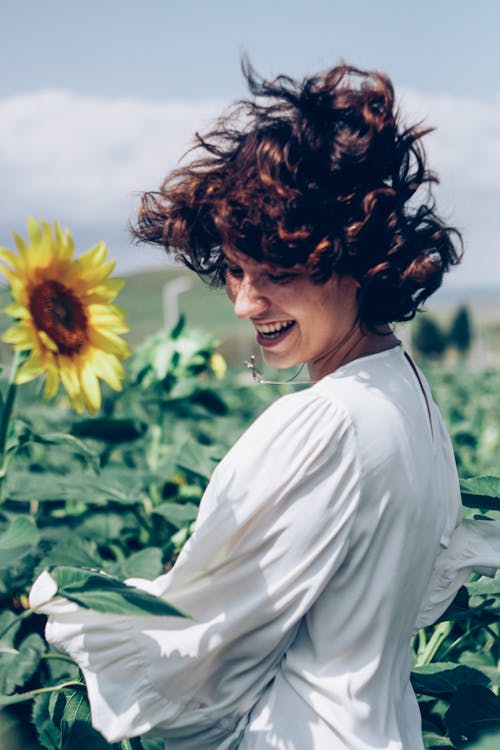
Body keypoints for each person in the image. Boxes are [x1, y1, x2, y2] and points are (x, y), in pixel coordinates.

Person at [29, 62, 500, 750]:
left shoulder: (327, 425)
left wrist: (53, 606)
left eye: (278, 274)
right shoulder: (406, 393)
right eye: (236, 270)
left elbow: (193, 651)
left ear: (357, 261)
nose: (248, 302)